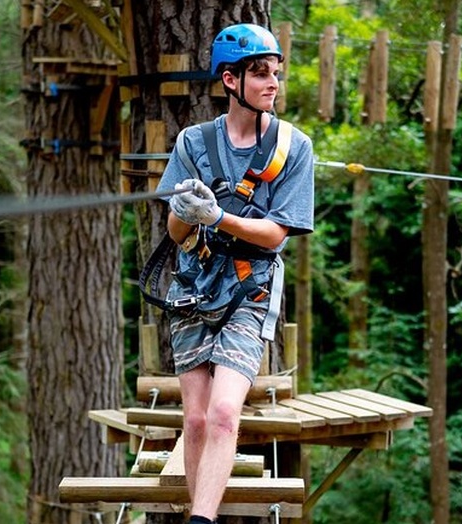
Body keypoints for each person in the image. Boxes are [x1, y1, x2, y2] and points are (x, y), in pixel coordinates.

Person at [155, 23, 314, 524]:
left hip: (251, 289)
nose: (273, 84)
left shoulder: (292, 148)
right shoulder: (192, 143)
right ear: (230, 79)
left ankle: (201, 522)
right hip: (193, 288)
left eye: (276, 74)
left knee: (225, 412)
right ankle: (198, 514)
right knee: (198, 418)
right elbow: (176, 231)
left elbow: (275, 234)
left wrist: (219, 216)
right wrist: (186, 206)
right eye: (261, 74)